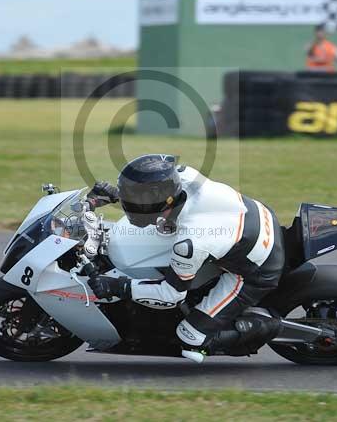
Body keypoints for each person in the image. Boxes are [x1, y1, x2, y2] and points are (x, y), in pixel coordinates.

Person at [85, 154, 285, 361]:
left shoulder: (191, 241)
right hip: (257, 216)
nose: (130, 204)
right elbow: (154, 191)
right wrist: (117, 194)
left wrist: (118, 287)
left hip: (257, 270)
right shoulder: (182, 176)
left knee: (191, 337)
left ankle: (269, 325)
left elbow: (170, 296)